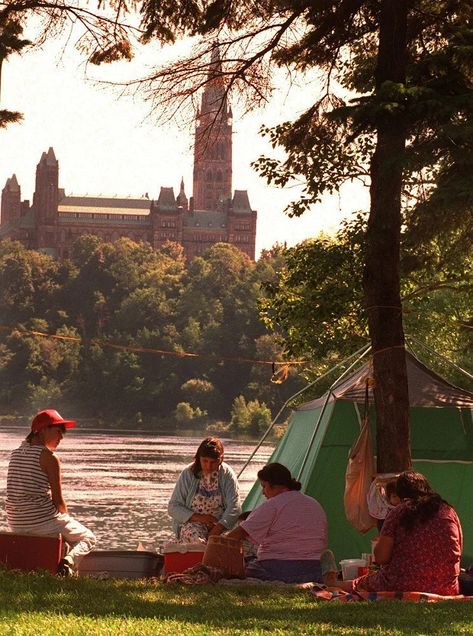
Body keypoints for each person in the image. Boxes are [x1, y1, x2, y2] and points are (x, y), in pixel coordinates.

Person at [6, 409, 97, 575]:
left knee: (65, 529)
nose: (61, 437)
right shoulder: (49, 457)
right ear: (42, 430)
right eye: (58, 431)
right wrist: (65, 518)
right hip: (42, 522)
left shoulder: (15, 454)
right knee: (88, 537)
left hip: (16, 521)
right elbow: (58, 501)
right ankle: (68, 564)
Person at [350, 470, 463, 595]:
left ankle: (334, 583)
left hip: (402, 584)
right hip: (445, 586)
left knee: (361, 583)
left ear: (400, 494)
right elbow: (457, 549)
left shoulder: (398, 513)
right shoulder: (448, 512)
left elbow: (381, 557)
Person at [226, 462, 328, 583]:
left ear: (274, 486)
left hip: (279, 568)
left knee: (246, 568)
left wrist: (216, 548)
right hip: (314, 569)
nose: (263, 493)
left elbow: (238, 534)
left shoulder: (273, 505)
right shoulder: (314, 503)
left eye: (264, 486)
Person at [168, 437, 240, 543]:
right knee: (195, 539)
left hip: (221, 523)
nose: (208, 466)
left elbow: (235, 507)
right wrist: (200, 518)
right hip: (193, 523)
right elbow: (173, 507)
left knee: (230, 539)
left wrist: (218, 528)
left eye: (213, 462)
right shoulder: (188, 473)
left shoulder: (226, 474)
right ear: (198, 458)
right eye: (205, 461)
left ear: (220, 459)